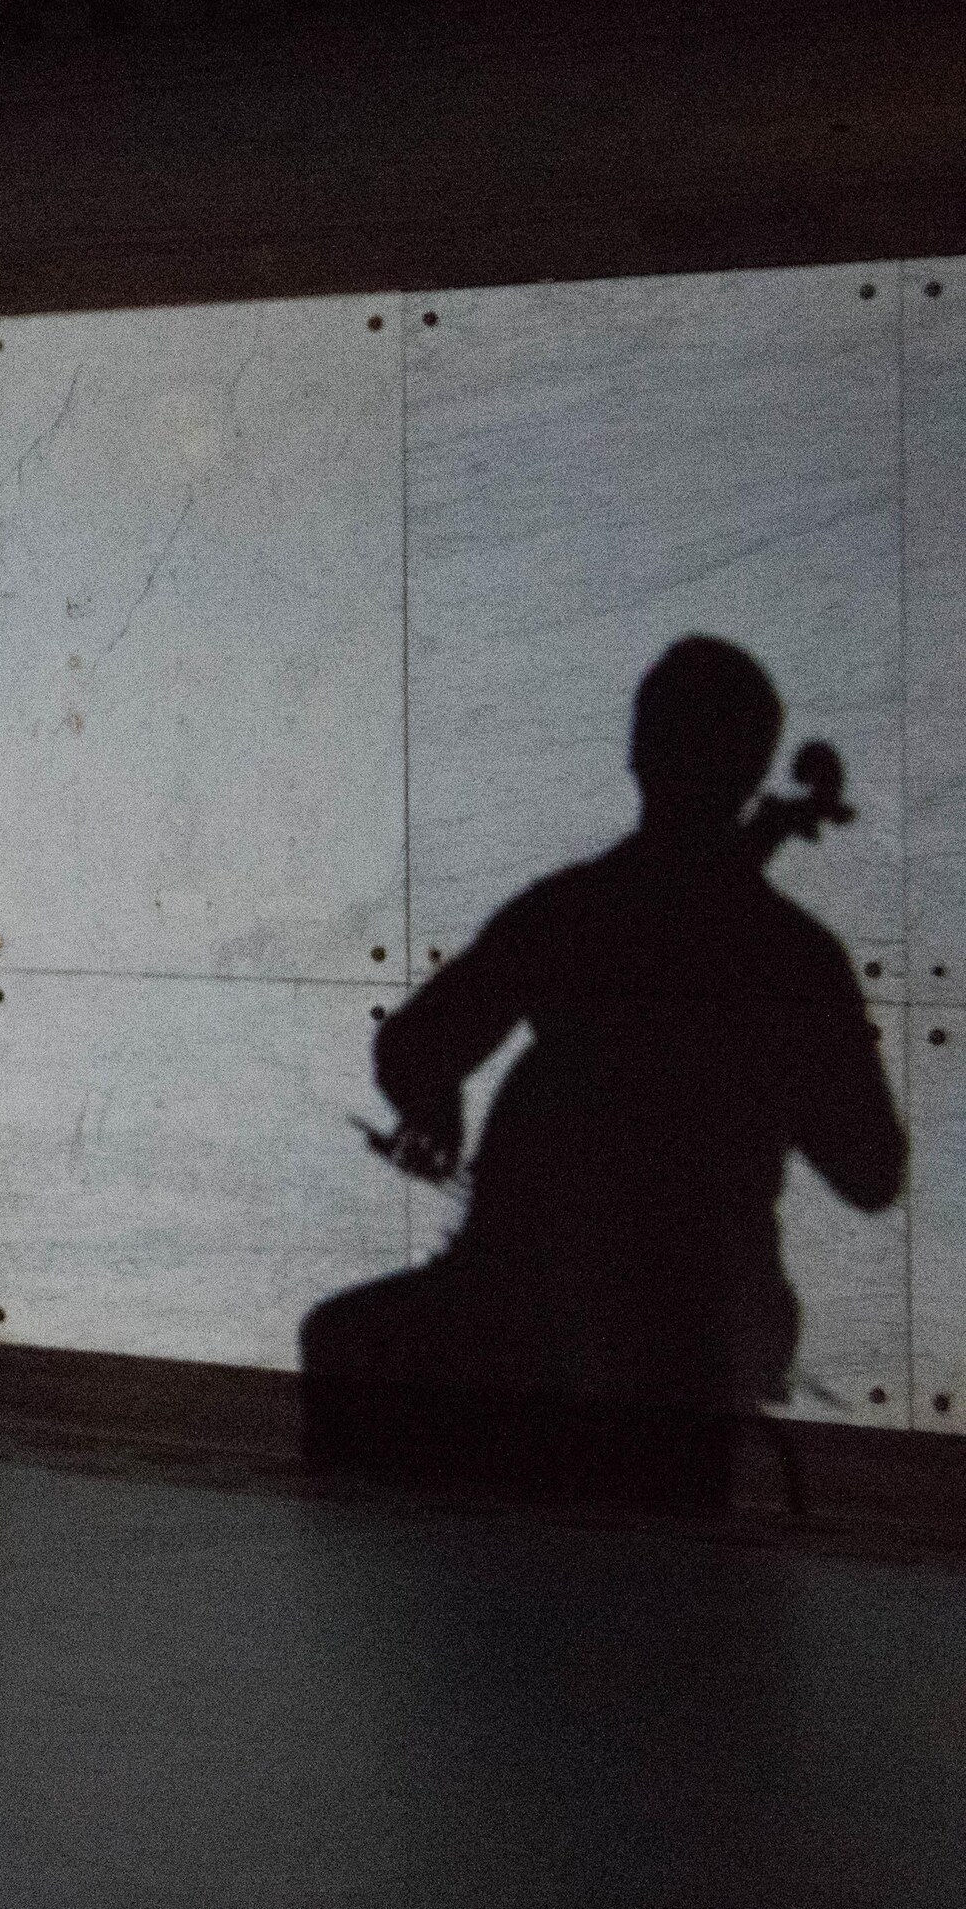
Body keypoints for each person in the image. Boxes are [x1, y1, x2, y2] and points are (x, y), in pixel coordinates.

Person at [302, 636, 904, 1504]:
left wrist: (439, 1106)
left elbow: (412, 1044)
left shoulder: (573, 912)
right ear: (753, 768)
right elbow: (873, 1172)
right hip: (702, 1316)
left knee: (348, 1340)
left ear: (636, 753)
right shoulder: (794, 955)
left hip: (545, 1307)